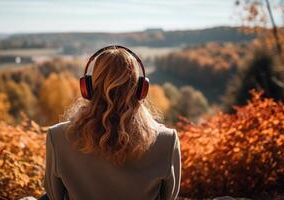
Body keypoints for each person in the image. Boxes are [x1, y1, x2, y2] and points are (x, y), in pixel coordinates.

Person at [43, 45, 181, 200]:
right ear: (141, 89)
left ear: (87, 88)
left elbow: (54, 196)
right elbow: (169, 197)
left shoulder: (57, 137)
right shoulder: (167, 140)